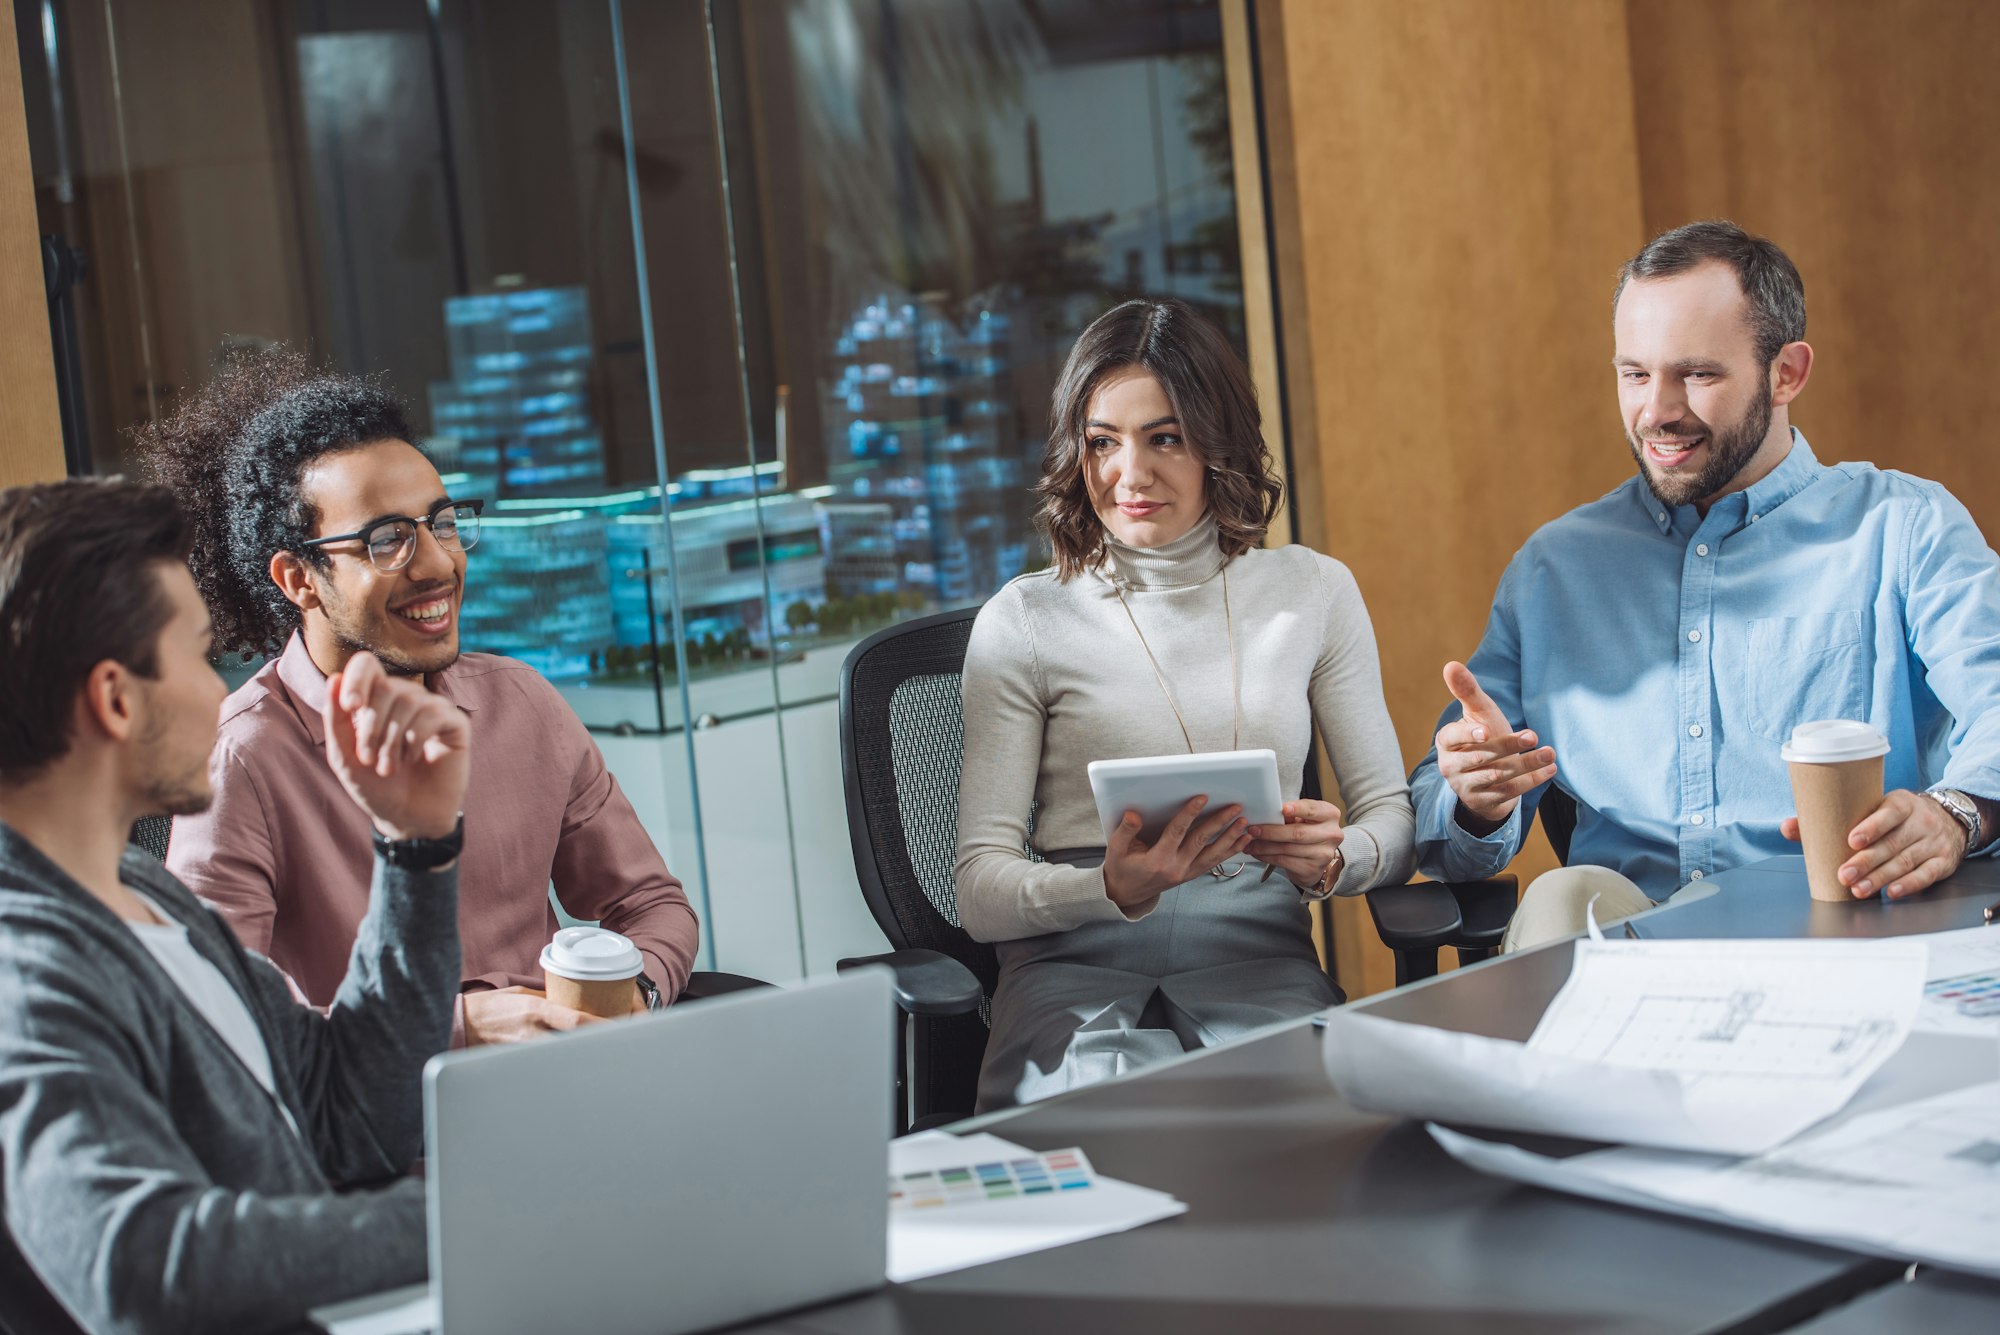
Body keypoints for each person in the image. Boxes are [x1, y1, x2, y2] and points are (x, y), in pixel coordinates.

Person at [1411, 220, 2000, 950]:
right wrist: (1477, 800)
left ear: (1787, 372)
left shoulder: (1903, 530)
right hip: (1624, 960)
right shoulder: (1554, 569)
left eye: (1697, 373)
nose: (1656, 410)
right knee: (1561, 896)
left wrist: (1953, 815)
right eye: (1635, 373)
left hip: (1846, 938)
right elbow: (1443, 827)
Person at [0, 478, 472, 1331]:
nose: (222, 692)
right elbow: (139, 1262)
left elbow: (355, 1120)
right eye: (200, 652)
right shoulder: (24, 973)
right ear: (115, 698)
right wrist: (475, 1218)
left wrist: (414, 849)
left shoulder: (144, 896)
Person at [139, 351, 698, 1043]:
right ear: (299, 578)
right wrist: (457, 1026)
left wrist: (634, 995)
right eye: (386, 540)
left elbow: (651, 903)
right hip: (397, 1132)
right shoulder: (241, 758)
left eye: (441, 522)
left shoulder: (521, 702)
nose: (437, 563)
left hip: (566, 1084)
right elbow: (218, 1018)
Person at [956, 298, 1417, 1109]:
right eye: (1103, 442)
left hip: (1260, 964)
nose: (1129, 474)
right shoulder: (1024, 620)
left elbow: (1391, 816)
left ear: (1219, 441)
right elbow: (979, 886)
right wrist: (1109, 888)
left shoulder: (1311, 591)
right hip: (1071, 972)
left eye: (1164, 437)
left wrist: (1341, 858)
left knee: (1314, 1146)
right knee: (1108, 1155)